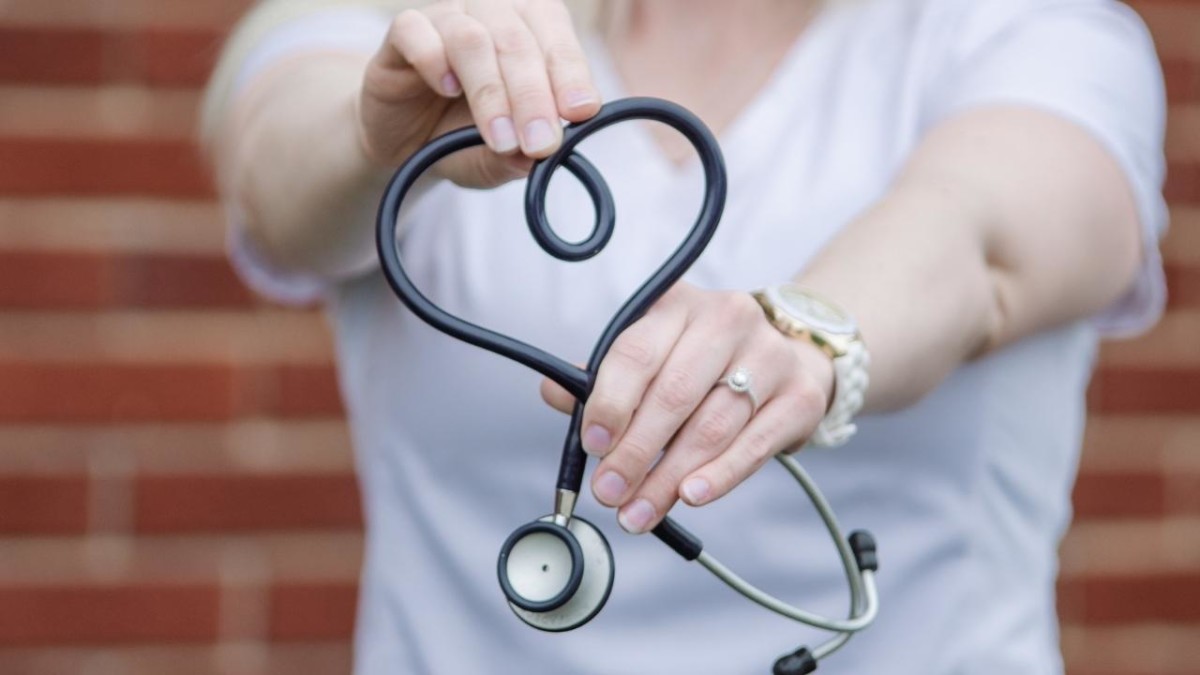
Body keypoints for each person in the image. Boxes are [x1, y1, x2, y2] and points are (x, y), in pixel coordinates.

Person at [201, 0, 1167, 672]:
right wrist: (382, 138)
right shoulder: (416, 39)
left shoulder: (1034, 37)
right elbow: (278, 183)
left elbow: (979, 238)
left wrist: (806, 336)